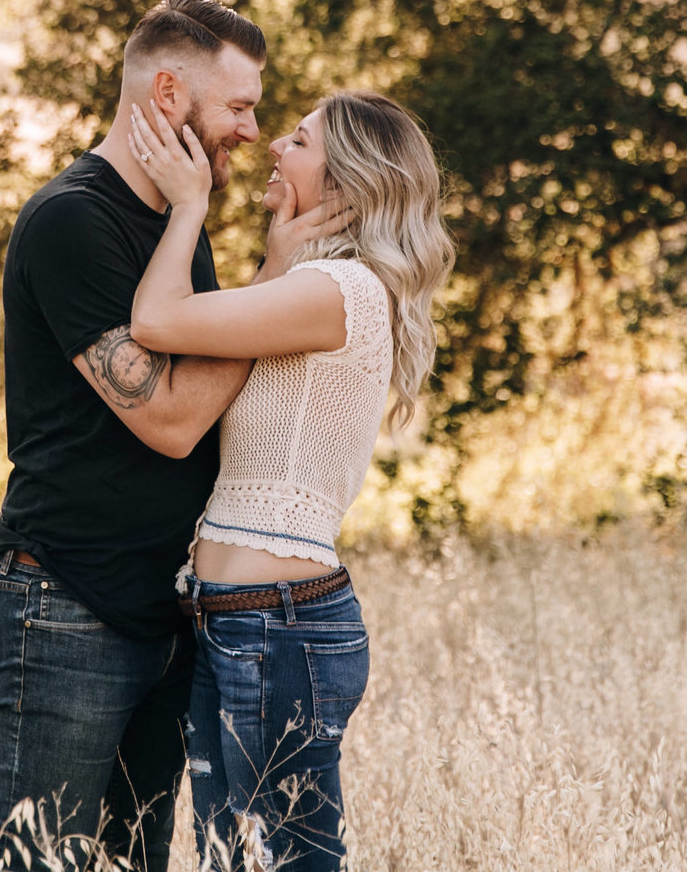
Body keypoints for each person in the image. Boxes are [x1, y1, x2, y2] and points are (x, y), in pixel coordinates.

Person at [0, 0, 349, 870]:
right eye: (241, 107)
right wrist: (268, 278)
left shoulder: (181, 226)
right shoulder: (74, 219)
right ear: (169, 93)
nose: (252, 132)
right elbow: (172, 418)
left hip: (161, 615)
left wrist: (263, 270)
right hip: (64, 607)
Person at [124, 89, 453, 872]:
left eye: (299, 140)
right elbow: (223, 336)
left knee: (289, 861)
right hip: (241, 619)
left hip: (279, 627)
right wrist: (276, 257)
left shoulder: (338, 292)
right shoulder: (313, 288)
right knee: (232, 860)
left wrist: (189, 203)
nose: (275, 144)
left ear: (342, 183)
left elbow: (156, 321)